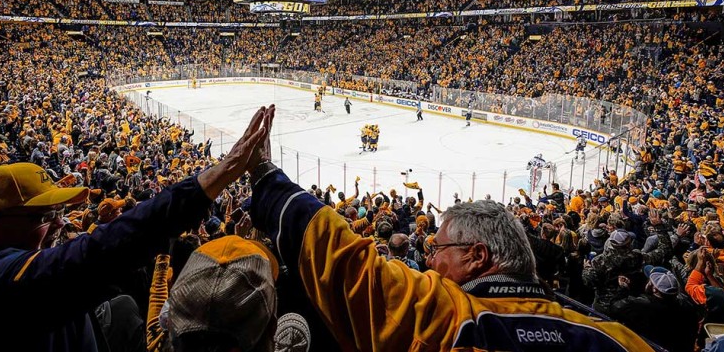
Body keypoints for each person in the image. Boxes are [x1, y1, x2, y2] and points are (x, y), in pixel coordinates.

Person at [245, 105, 654, 350]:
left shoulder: (450, 316)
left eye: (438, 250)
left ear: (477, 256)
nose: (429, 258)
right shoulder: (618, 338)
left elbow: (348, 264)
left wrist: (265, 177)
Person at [0, 107, 272, 350]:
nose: (59, 223)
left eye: (59, 212)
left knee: (121, 308)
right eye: (43, 217)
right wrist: (214, 179)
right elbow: (89, 260)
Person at [610, 266, 702, 352]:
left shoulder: (639, 305)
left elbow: (615, 307)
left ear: (654, 289)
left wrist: (623, 288)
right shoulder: (687, 305)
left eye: (649, 281)